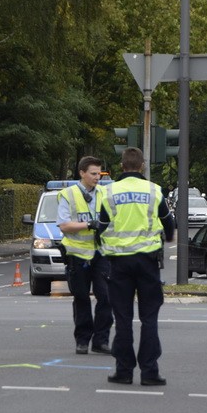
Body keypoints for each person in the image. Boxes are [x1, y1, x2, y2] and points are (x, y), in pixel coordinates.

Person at [96, 148, 175, 386]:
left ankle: (124, 371)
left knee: (122, 318)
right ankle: (150, 372)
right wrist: (166, 237)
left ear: (122, 166)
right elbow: (168, 224)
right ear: (142, 166)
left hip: (119, 263)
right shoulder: (154, 190)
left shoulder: (109, 191)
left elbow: (101, 227)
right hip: (148, 262)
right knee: (149, 318)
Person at [57, 156, 113, 355]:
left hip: (101, 253)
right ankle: (82, 340)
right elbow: (64, 225)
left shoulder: (105, 193)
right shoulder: (68, 195)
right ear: (82, 173)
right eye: (93, 173)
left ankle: (101, 341)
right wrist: (89, 224)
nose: (98, 177)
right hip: (78, 255)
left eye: (99, 173)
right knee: (81, 298)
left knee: (106, 297)